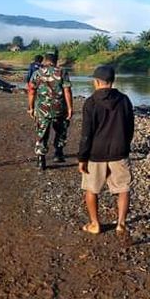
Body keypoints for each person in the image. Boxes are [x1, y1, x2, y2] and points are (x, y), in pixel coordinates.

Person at [78, 65, 134, 235]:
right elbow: (130, 127)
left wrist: (82, 158)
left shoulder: (91, 102)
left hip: (96, 154)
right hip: (119, 152)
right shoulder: (124, 100)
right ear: (112, 81)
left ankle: (95, 224)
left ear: (96, 82)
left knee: (91, 189)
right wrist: (125, 145)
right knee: (123, 189)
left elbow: (86, 133)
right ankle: (121, 224)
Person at [28, 53, 73, 170]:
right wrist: (70, 108)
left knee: (42, 132)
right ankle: (58, 153)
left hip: (42, 109)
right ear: (56, 61)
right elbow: (67, 91)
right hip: (59, 108)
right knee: (60, 130)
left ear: (44, 61)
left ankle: (41, 159)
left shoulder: (37, 73)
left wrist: (31, 107)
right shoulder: (62, 72)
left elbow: (31, 91)